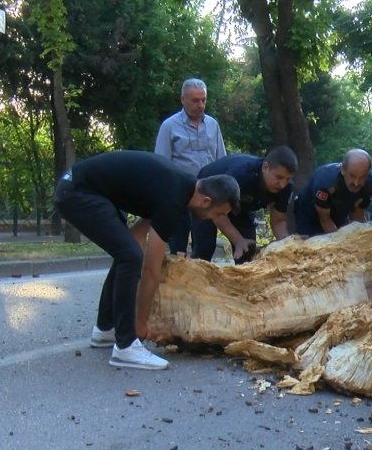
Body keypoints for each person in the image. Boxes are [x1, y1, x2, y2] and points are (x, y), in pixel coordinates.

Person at [54, 150, 240, 370]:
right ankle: (126, 346)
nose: (215, 220)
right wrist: (140, 324)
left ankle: (106, 329)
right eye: (218, 213)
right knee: (131, 256)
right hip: (77, 191)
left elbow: (136, 236)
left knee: (127, 253)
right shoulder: (174, 198)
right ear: (206, 200)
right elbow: (151, 271)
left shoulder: (179, 187)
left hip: (79, 187)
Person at [154, 78, 228, 255]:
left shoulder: (212, 125)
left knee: (205, 246)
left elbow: (221, 159)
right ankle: (179, 281)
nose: (200, 105)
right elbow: (160, 164)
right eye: (195, 100)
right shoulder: (169, 126)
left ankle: (201, 280)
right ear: (183, 99)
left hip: (206, 196)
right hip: (180, 194)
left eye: (203, 100)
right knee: (178, 246)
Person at [190, 146, 297, 263]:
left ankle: (240, 279)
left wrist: (287, 245)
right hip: (210, 200)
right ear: (265, 167)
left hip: (241, 207)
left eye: (287, 179)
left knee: (248, 249)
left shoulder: (286, 187)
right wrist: (237, 240)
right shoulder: (241, 174)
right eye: (279, 177)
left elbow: (278, 221)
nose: (282, 184)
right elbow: (218, 213)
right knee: (204, 248)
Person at [294, 149, 372, 237]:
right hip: (309, 212)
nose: (356, 183)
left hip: (339, 211)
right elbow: (325, 220)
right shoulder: (325, 183)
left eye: (362, 177)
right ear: (343, 169)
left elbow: (357, 217)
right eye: (352, 176)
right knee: (310, 245)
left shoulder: (370, 185)